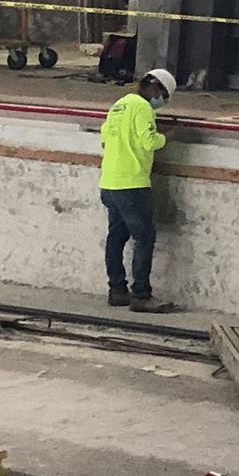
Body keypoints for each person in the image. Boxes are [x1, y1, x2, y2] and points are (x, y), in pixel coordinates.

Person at [98, 66, 175, 311]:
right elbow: (149, 141)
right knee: (144, 237)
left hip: (109, 183)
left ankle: (117, 290)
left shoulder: (118, 105)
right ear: (154, 87)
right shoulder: (142, 107)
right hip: (132, 184)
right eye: (163, 96)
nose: (161, 101)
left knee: (116, 237)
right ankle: (141, 295)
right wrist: (169, 136)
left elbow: (104, 139)